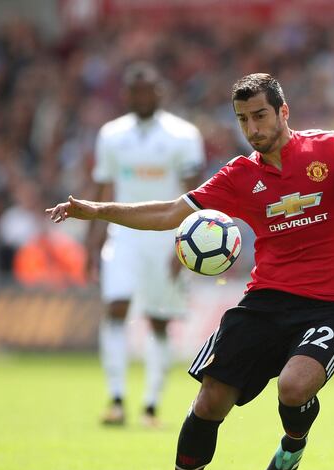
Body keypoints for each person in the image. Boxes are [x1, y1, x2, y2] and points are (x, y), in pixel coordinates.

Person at [48, 73, 334, 470]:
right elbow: (169, 212)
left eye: (260, 115)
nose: (253, 128)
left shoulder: (332, 149)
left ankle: (292, 445)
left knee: (294, 387)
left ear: (284, 112)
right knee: (210, 401)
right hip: (265, 299)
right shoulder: (240, 175)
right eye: (243, 120)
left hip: (332, 302)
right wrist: (98, 210)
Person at [87, 62, 206, 427]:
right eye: (135, 91)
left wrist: (185, 244)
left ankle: (151, 405)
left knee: (158, 319)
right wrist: (91, 242)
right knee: (116, 308)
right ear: (126, 95)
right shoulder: (110, 134)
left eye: (148, 90)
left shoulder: (183, 134)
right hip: (122, 236)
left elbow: (195, 193)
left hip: (165, 236)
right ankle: (117, 399)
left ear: (160, 93)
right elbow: (103, 188)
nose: (142, 96)